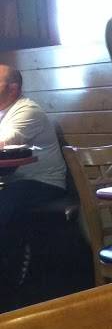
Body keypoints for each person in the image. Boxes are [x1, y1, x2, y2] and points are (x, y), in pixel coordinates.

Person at [0, 65, 67, 227]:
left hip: (44, 183)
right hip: (13, 181)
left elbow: (4, 141)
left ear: (13, 89)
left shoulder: (28, 110)